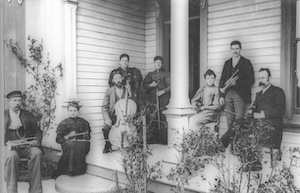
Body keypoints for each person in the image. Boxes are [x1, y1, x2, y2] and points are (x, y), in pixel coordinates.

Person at [4, 90, 43, 193]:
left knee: (37, 153)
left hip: (27, 146)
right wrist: (6, 143)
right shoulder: (3, 115)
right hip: (10, 147)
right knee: (12, 157)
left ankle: (36, 190)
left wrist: (36, 140)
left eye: (19, 101)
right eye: (14, 100)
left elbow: (37, 131)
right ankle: (11, 190)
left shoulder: (27, 114)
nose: (17, 103)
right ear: (9, 101)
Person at [219, 40, 255, 148]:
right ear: (230, 50)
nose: (235, 51)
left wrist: (237, 82)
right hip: (228, 94)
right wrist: (221, 96)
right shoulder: (227, 63)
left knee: (239, 122)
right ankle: (232, 146)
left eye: (237, 48)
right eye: (233, 49)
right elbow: (222, 81)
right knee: (230, 122)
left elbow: (251, 80)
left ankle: (238, 147)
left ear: (240, 49)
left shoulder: (246, 62)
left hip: (240, 95)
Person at [102, 70, 138, 153]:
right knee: (106, 128)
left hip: (126, 117)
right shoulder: (109, 91)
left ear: (122, 78)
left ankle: (131, 144)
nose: (118, 80)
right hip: (114, 118)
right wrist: (107, 119)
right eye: (116, 78)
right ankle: (108, 145)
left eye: (119, 77)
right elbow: (104, 107)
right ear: (113, 80)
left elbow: (134, 102)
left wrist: (130, 92)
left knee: (134, 127)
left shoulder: (127, 89)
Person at [53, 100, 91, 178]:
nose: (73, 112)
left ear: (78, 111)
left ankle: (79, 170)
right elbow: (58, 139)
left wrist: (83, 137)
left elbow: (88, 137)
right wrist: (67, 137)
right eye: (70, 110)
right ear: (68, 111)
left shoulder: (84, 122)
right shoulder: (63, 123)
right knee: (71, 144)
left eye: (74, 110)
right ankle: (69, 170)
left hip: (81, 144)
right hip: (68, 144)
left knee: (81, 144)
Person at [250, 68, 286, 149]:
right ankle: (221, 146)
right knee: (238, 124)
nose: (260, 80)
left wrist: (262, 114)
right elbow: (254, 108)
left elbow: (280, 110)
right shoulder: (259, 94)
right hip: (258, 125)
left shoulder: (278, 91)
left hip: (272, 126)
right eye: (259, 78)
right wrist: (251, 111)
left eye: (263, 78)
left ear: (269, 78)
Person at [142, 56, 170, 144]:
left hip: (163, 99)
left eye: (160, 63)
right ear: (154, 64)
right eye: (156, 63)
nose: (158, 64)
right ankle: (152, 138)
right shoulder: (150, 74)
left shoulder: (166, 74)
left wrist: (163, 91)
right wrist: (151, 85)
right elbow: (144, 86)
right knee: (152, 117)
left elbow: (171, 86)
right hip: (152, 98)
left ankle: (163, 139)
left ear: (162, 64)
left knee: (162, 117)